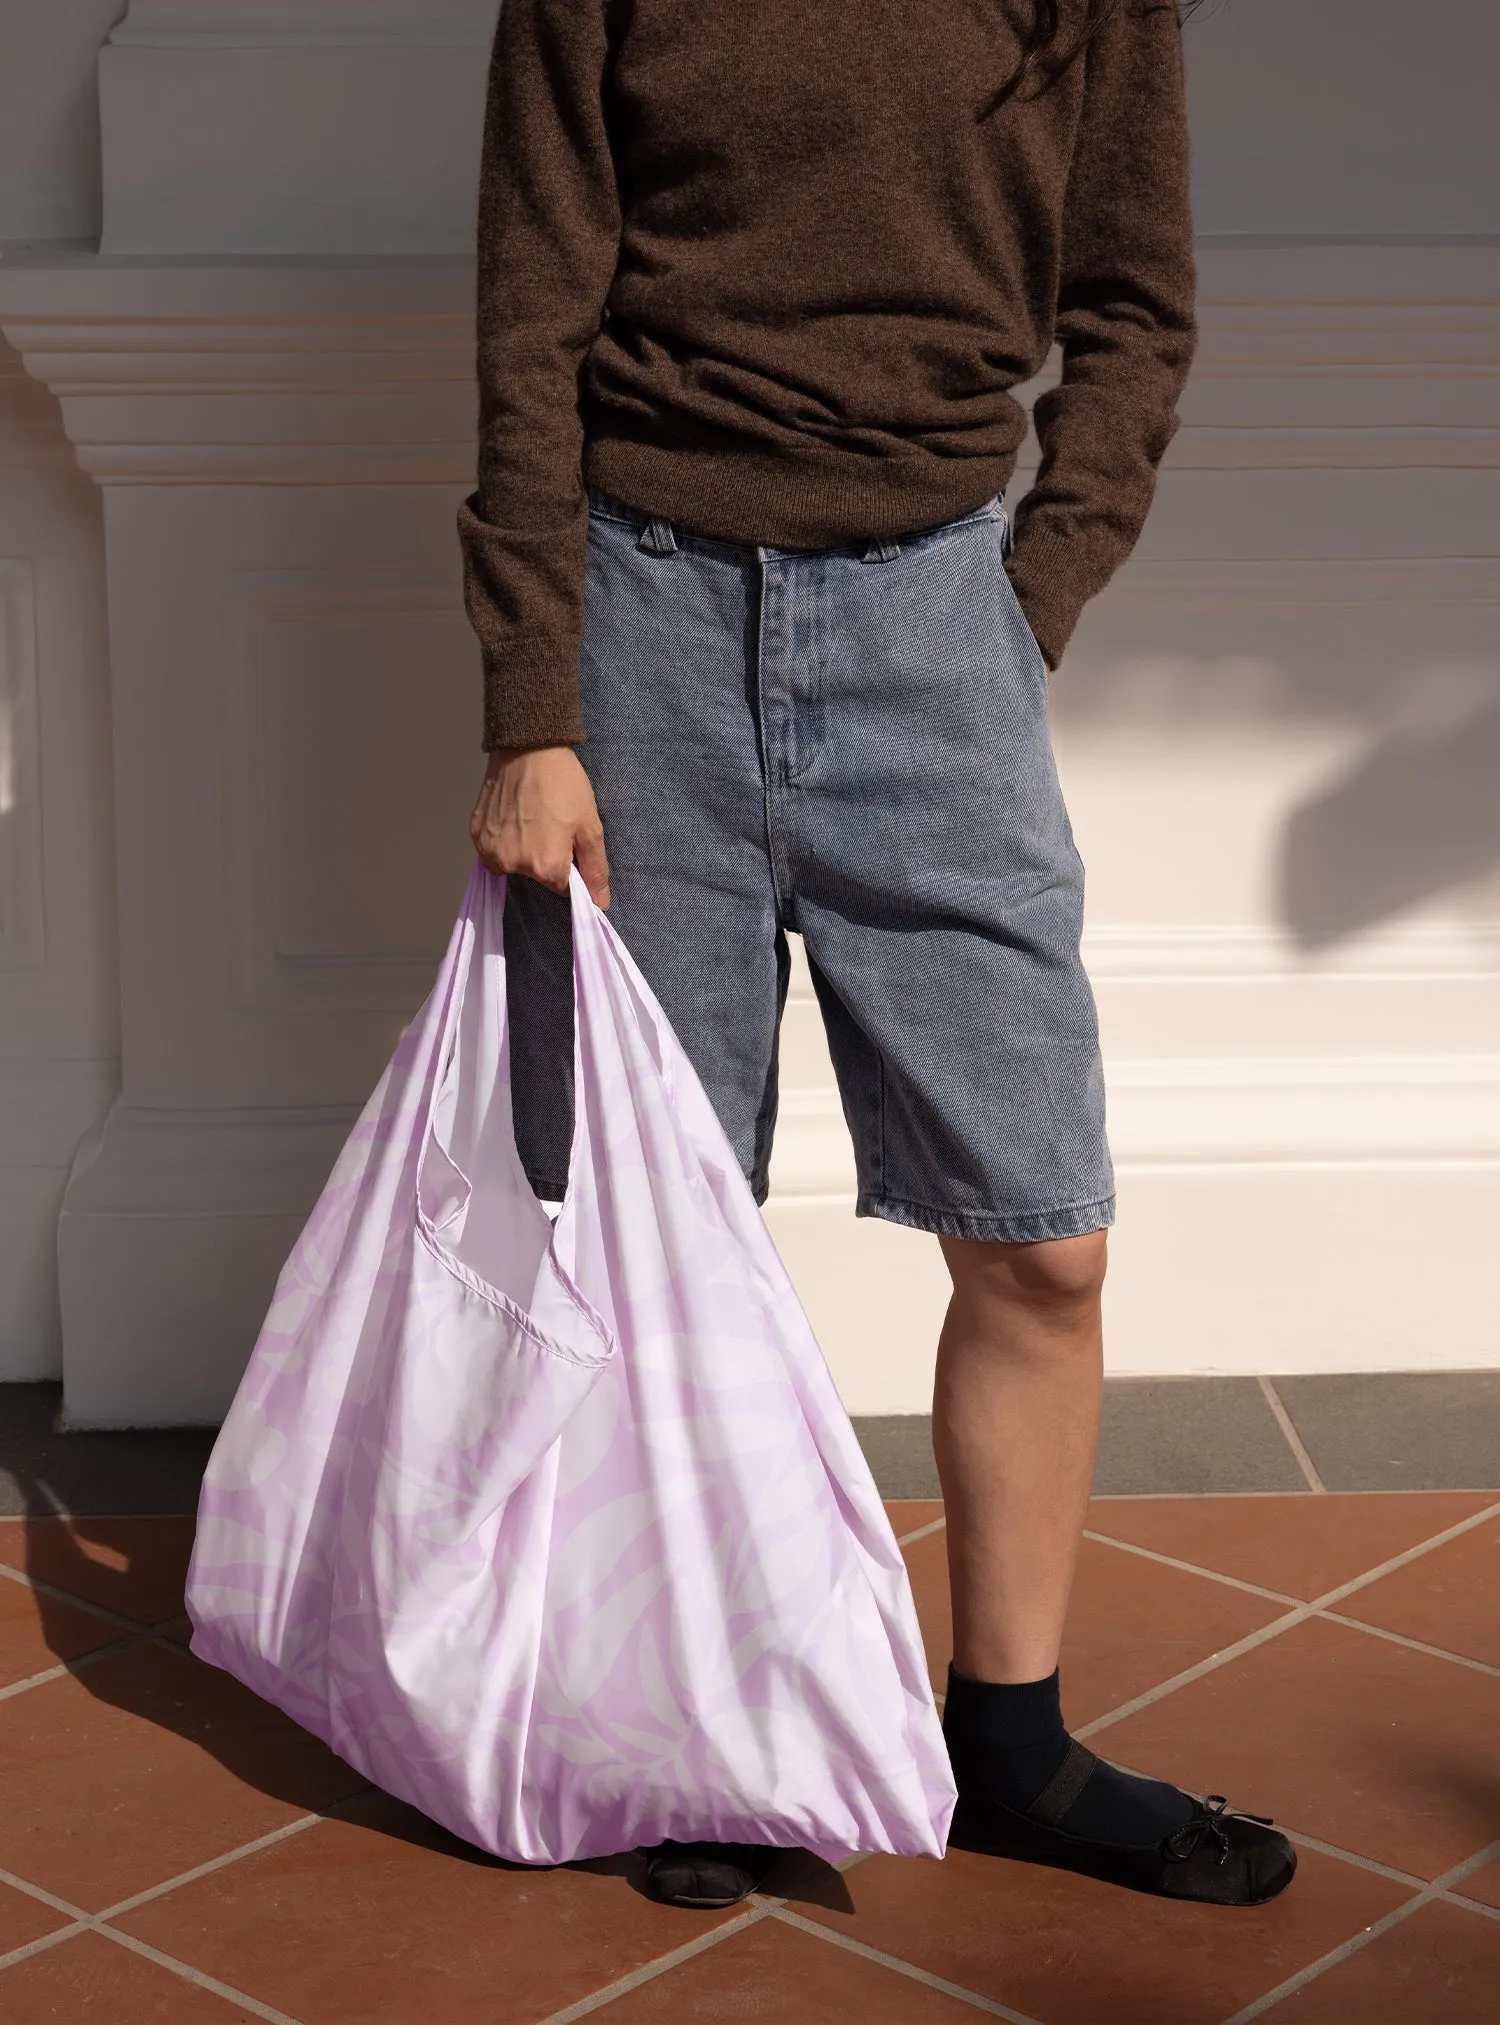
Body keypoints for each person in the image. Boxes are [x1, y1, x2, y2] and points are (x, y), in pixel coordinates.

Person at [459, 0, 1296, 1912]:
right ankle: (692, 1723)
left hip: (936, 620)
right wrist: (530, 707)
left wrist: (1030, 601)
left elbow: (1136, 303)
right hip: (639, 634)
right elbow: (528, 324)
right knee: (661, 1246)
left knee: (1042, 1233)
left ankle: (1008, 1744)